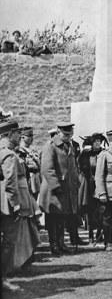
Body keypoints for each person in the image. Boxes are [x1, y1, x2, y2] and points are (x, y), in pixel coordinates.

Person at [1, 122, 40, 292]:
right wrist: (15, 204)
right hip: (7, 203)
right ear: (10, 134)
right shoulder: (8, 154)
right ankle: (3, 277)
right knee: (9, 241)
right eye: (18, 133)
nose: (20, 136)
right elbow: (10, 182)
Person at [39, 122, 80, 256]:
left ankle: (61, 243)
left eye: (70, 134)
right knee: (53, 217)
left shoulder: (69, 146)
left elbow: (73, 168)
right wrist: (56, 186)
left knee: (62, 217)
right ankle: (54, 245)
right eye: (65, 134)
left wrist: (75, 182)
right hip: (53, 190)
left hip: (65, 189)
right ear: (58, 132)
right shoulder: (50, 147)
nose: (68, 136)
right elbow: (47, 169)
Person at [78, 133, 106, 243]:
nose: (98, 143)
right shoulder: (86, 154)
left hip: (101, 185)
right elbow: (82, 167)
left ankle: (100, 232)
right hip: (90, 186)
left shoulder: (104, 153)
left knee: (102, 209)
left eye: (99, 141)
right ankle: (90, 234)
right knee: (90, 210)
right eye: (95, 142)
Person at [18, 126, 42, 199]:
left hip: (36, 179)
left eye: (32, 135)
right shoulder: (20, 150)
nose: (31, 138)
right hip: (28, 179)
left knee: (35, 199)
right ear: (22, 137)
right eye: (29, 136)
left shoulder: (33, 149)